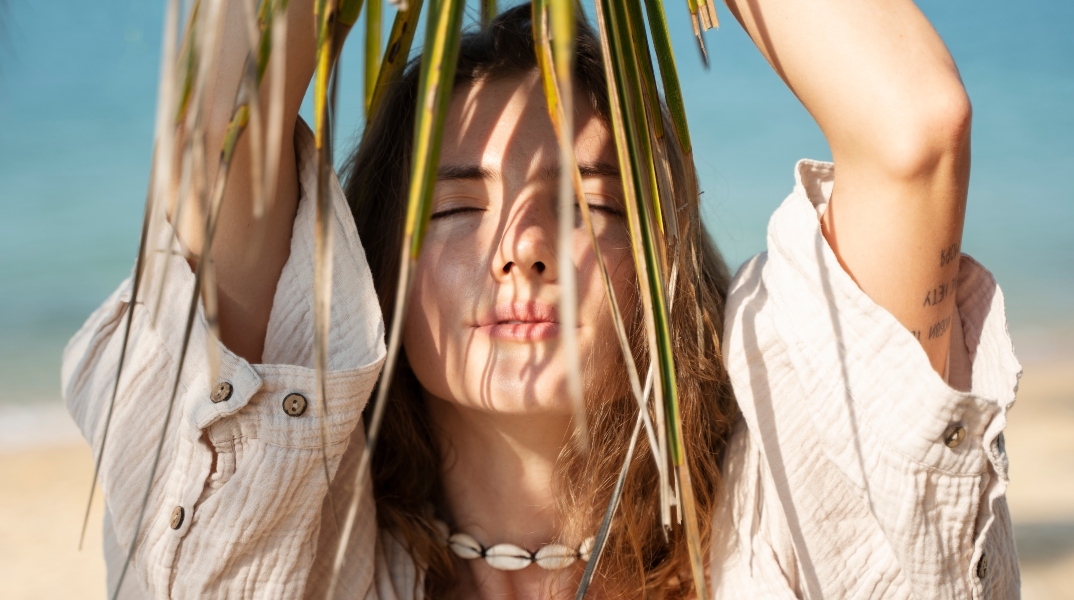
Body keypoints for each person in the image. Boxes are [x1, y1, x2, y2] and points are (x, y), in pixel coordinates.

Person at [62, 0, 1022, 598]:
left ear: (661, 268)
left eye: (590, 203)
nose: (520, 249)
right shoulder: (308, 563)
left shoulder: (776, 548)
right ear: (378, 269)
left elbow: (914, 133)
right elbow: (220, 129)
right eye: (456, 208)